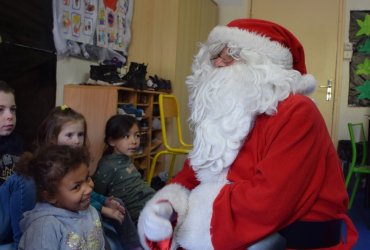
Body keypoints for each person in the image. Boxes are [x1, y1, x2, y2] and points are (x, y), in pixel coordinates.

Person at [137, 18, 359, 249]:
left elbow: (270, 201)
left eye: (231, 54)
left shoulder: (297, 111)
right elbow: (197, 168)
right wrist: (168, 204)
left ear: (264, 67)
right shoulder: (229, 111)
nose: (219, 64)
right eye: (216, 55)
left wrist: (195, 218)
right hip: (243, 231)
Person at [30, 105, 142, 249]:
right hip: (70, 207)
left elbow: (86, 190)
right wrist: (102, 208)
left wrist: (105, 200)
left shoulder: (79, 160)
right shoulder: (52, 167)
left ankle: (134, 245)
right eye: (69, 135)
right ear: (53, 138)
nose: (77, 140)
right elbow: (74, 196)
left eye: (80, 134)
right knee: (95, 213)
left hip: (82, 206)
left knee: (114, 203)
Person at [17, 145, 105, 249]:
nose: (89, 189)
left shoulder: (91, 211)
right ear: (50, 196)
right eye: (77, 186)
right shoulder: (44, 227)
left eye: (87, 178)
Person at [93, 114, 155, 225]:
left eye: (137, 135)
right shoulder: (107, 166)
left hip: (149, 200)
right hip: (137, 213)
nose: (134, 141)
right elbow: (98, 194)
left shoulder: (125, 158)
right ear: (111, 141)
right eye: (127, 136)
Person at [0, 80, 36, 248]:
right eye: (0, 110)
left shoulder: (19, 141)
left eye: (12, 110)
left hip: (12, 215)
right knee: (23, 179)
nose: (9, 116)